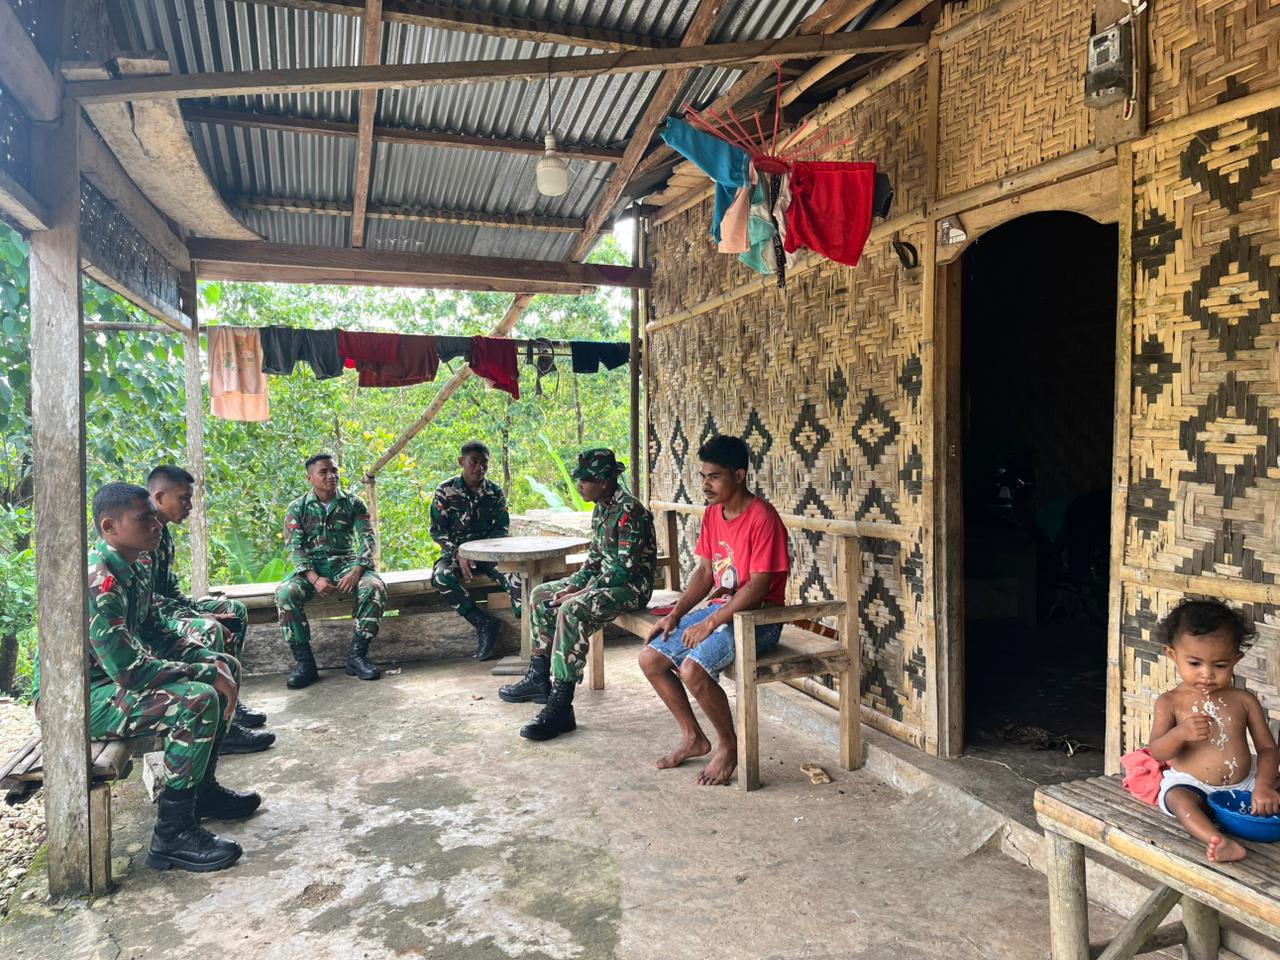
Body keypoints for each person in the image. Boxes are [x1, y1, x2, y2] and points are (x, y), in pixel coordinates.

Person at [30, 484, 261, 872]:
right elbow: (130, 671)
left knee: (225, 666)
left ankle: (202, 792)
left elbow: (160, 635)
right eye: (144, 518)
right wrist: (205, 672)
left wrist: (214, 662)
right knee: (197, 700)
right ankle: (172, 835)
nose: (156, 524)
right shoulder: (98, 582)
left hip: (110, 684)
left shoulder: (132, 568)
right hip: (75, 703)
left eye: (154, 516)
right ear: (110, 527)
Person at [639, 435, 791, 786]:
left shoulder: (763, 518)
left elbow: (758, 587)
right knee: (650, 659)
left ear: (739, 476)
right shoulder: (713, 513)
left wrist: (709, 623)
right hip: (723, 609)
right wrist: (677, 614)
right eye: (703, 476)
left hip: (759, 619)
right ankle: (693, 737)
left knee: (692, 670)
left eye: (715, 476)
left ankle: (729, 746)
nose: (706, 484)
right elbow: (706, 572)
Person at [500, 448, 656, 741]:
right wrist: (574, 585)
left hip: (631, 589)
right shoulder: (601, 508)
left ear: (605, 481)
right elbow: (594, 561)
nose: (580, 485)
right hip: (601, 583)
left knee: (572, 609)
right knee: (541, 595)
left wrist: (581, 592)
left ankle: (561, 707)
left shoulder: (630, 511)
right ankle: (539, 677)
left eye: (585, 480)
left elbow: (624, 570)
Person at [147, 465, 274, 754]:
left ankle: (231, 701)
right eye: (184, 498)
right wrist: (199, 616)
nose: (190, 506)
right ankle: (222, 726)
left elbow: (170, 591)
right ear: (160, 497)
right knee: (210, 629)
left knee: (233, 610)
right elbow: (148, 602)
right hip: (153, 620)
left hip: (166, 609)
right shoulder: (141, 533)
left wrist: (198, 609)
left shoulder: (163, 534)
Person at [1144, 599, 1279, 863]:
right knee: (1178, 799)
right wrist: (1179, 734)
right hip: (1193, 785)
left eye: (1220, 665)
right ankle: (1217, 839)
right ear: (1172, 655)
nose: (1207, 674)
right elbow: (1157, 751)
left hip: (1245, 785)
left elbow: (1267, 748)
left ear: (1236, 660)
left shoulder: (1244, 701)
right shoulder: (1170, 702)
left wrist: (1263, 786)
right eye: (1195, 663)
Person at [273, 453, 386, 688]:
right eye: (323, 472)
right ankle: (305, 664)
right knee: (285, 594)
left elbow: (367, 537)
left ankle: (357, 656)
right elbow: (295, 548)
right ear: (310, 478)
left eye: (334, 470)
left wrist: (357, 571)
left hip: (346, 564)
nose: (331, 476)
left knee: (374, 587)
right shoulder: (297, 507)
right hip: (311, 568)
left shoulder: (353, 502)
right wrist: (314, 579)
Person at [430, 441, 522, 661]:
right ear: (462, 462)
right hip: (456, 554)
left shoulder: (495, 492)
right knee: (441, 577)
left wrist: (482, 551)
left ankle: (529, 632)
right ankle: (483, 623)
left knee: (519, 578)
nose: (479, 468)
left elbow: (501, 529)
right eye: (474, 462)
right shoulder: (445, 491)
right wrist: (458, 553)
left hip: (490, 553)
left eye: (484, 463)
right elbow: (438, 532)